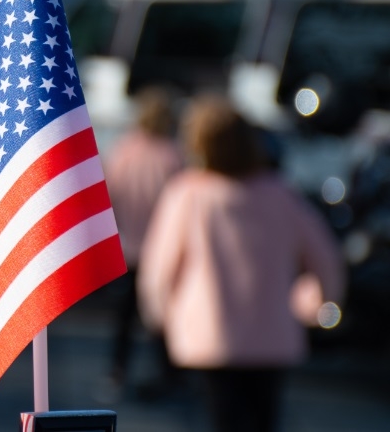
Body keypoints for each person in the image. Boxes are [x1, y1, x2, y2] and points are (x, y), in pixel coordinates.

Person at [138, 95, 345, 432]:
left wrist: (160, 315)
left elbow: (159, 269)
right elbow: (325, 258)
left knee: (221, 418)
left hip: (210, 335)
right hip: (273, 335)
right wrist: (321, 305)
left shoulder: (188, 194)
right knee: (265, 418)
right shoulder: (280, 194)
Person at [100, 88, 183, 399]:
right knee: (162, 317)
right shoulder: (173, 157)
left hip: (125, 247)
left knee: (124, 318)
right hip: (161, 252)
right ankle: (169, 374)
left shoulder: (122, 152)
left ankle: (117, 371)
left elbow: (108, 196)